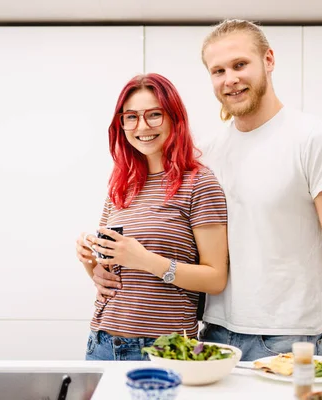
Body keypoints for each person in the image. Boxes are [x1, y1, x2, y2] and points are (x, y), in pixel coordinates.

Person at [90, 19, 322, 370]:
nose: (230, 79)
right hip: (213, 333)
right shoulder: (207, 152)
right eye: (218, 70)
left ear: (268, 60)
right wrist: (102, 270)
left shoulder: (313, 140)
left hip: (287, 336)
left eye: (240, 64)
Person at [75, 73, 228, 361]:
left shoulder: (199, 183)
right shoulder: (121, 185)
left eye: (154, 115)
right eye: (130, 117)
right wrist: (90, 261)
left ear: (174, 119)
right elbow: (111, 275)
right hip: (103, 341)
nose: (142, 126)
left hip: (164, 348)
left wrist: (145, 260)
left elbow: (216, 278)